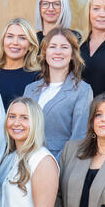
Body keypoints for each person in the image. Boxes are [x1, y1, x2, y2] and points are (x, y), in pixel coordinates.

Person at [22, 29, 93, 160]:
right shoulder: (30, 89)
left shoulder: (83, 90)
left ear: (72, 54)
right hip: (26, 161)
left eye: (64, 47)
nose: (58, 52)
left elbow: (79, 137)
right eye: (52, 47)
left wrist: (53, 165)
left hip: (60, 162)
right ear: (45, 52)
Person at [0, 18, 42, 108]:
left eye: (22, 38)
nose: (15, 42)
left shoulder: (38, 78)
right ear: (3, 41)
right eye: (10, 36)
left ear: (30, 46)